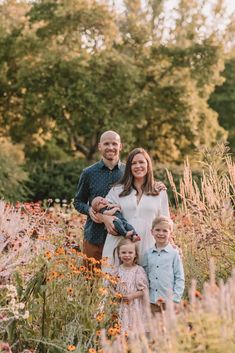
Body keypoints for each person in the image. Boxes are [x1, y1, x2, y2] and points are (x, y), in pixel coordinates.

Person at [102, 147, 170, 267]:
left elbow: (166, 222)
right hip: (120, 247)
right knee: (116, 283)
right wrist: (106, 218)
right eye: (133, 163)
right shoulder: (117, 191)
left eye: (141, 162)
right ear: (129, 167)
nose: (138, 166)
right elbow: (103, 210)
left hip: (148, 246)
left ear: (148, 165)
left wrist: (169, 246)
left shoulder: (159, 192)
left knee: (144, 283)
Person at [74, 131, 125, 262]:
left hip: (121, 239)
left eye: (114, 143)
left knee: (118, 281)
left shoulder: (128, 172)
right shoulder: (88, 173)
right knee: (91, 280)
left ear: (121, 146)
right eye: (106, 143)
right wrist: (89, 210)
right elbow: (78, 201)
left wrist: (157, 185)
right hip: (94, 237)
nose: (110, 147)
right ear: (99, 146)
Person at [143, 216, 185, 315]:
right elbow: (145, 275)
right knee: (154, 327)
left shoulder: (174, 254)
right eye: (157, 230)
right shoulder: (148, 254)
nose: (161, 233)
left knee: (169, 327)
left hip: (169, 301)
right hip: (152, 301)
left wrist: (175, 299)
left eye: (165, 231)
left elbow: (179, 277)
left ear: (170, 233)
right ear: (152, 232)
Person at [111, 238, 149, 333]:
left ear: (135, 254)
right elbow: (109, 286)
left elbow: (144, 290)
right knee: (119, 329)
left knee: (133, 330)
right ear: (119, 254)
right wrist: (115, 294)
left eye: (130, 253)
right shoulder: (116, 270)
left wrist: (132, 296)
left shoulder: (138, 270)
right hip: (120, 305)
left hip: (134, 306)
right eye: (123, 253)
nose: (127, 255)